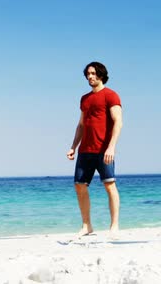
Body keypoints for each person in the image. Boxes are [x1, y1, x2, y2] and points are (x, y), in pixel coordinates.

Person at [67, 61, 123, 237]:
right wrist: (73, 147)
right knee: (79, 185)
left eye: (93, 73)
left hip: (104, 150)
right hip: (85, 150)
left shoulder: (111, 95)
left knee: (109, 185)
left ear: (101, 74)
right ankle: (87, 225)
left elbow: (118, 122)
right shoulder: (84, 98)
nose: (90, 77)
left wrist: (111, 147)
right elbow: (81, 125)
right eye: (87, 74)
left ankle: (114, 225)